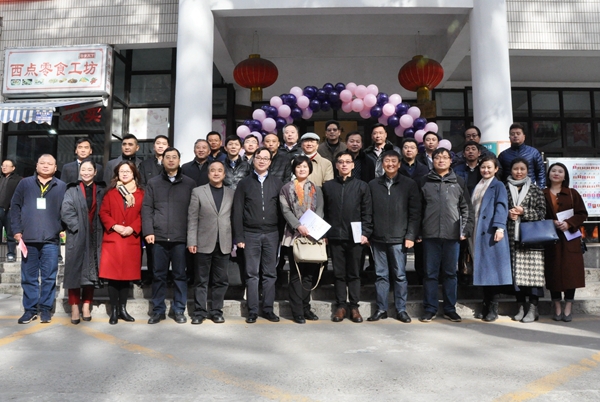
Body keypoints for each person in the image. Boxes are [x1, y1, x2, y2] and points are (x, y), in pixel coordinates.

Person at [418, 147, 473, 323]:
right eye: (437, 157)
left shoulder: (459, 181)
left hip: (452, 235)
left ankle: (450, 308)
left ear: (451, 161)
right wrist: (418, 231)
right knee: (430, 274)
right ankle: (430, 308)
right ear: (432, 161)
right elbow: (418, 210)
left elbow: (466, 208)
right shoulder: (424, 181)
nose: (441, 160)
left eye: (444, 157)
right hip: (430, 235)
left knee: (450, 273)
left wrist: (465, 230)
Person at [142, 147, 195, 324]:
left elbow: (194, 212)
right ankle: (158, 310)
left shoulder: (189, 183)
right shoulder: (153, 183)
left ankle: (179, 309)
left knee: (180, 275)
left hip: (181, 238)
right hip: (159, 237)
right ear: (163, 160)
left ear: (179, 161)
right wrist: (149, 231)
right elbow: (147, 208)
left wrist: (191, 236)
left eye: (174, 157)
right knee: (159, 275)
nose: (171, 160)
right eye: (168, 157)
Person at [11, 154, 66, 324]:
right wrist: (16, 230)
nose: (45, 166)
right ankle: (30, 310)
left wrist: (63, 228)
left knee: (49, 276)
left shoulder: (61, 186)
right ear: (36, 166)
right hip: (28, 239)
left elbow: (66, 210)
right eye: (42, 163)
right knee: (29, 277)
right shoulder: (25, 183)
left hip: (51, 240)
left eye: (49, 164)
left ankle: (45, 309)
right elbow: (15, 206)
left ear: (55, 168)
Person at [367, 150, 421, 323]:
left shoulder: (409, 184)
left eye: (393, 161)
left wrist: (410, 235)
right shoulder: (373, 184)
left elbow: (415, 212)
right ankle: (381, 309)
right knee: (380, 275)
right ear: (382, 164)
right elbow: (367, 212)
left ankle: (401, 309)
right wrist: (367, 233)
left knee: (400, 275)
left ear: (399, 164)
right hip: (378, 238)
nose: (390, 164)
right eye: (387, 161)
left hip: (399, 238)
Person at [232, 147, 284, 324]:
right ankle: (253, 310)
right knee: (252, 273)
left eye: (265, 158)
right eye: (259, 157)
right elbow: (237, 211)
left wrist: (281, 235)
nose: (262, 161)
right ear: (253, 160)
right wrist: (239, 237)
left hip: (272, 233)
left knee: (270, 273)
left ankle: (268, 309)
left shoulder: (277, 183)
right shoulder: (244, 183)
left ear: (270, 162)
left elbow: (282, 211)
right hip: (250, 234)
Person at [322, 151, 373, 323]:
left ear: (353, 165)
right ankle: (341, 306)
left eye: (347, 162)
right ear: (336, 165)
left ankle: (354, 306)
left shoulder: (362, 186)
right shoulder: (328, 186)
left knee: (354, 273)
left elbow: (367, 212)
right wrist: (325, 234)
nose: (344, 164)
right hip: (335, 236)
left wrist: (366, 232)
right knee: (338, 273)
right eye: (341, 162)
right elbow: (324, 212)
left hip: (355, 237)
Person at [188, 160, 234, 324]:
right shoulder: (198, 192)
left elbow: (234, 218)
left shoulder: (231, 193)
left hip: (224, 242)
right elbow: (192, 218)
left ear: (224, 174)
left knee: (220, 280)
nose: (216, 173)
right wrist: (191, 241)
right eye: (213, 170)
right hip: (202, 242)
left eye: (219, 170)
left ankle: (216, 311)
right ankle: (199, 312)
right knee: (201, 280)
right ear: (208, 174)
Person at [279, 155, 324, 324]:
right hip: (294, 236)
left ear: (309, 169)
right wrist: (298, 226)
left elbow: (320, 209)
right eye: (298, 167)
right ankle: (297, 311)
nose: (302, 169)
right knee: (296, 274)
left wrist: (312, 227)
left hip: (312, 236)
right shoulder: (286, 188)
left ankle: (306, 308)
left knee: (309, 275)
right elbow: (285, 210)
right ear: (294, 169)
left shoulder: (317, 189)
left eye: (305, 166)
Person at [99, 160, 144, 325]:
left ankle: (123, 309)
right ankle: (114, 311)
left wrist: (133, 228)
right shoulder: (110, 193)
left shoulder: (141, 193)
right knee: (113, 278)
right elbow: (103, 212)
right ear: (117, 174)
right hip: (113, 238)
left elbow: (144, 214)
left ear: (134, 174)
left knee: (126, 277)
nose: (125, 174)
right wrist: (114, 225)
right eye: (122, 171)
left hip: (131, 238)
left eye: (128, 171)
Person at [61, 160, 105, 324]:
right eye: (83, 169)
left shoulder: (101, 190)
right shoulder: (71, 190)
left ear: (95, 172)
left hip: (95, 237)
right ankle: (74, 307)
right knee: (74, 272)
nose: (86, 172)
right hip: (77, 235)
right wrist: (78, 227)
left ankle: (86, 305)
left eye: (89, 169)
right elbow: (66, 211)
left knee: (91, 273)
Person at [543, 162, 588, 322]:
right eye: (553, 170)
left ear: (565, 176)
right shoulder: (542, 193)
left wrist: (569, 223)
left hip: (570, 239)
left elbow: (582, 214)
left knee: (571, 273)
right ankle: (557, 306)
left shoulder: (572, 193)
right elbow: (538, 215)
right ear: (548, 174)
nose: (556, 173)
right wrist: (551, 222)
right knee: (553, 273)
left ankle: (568, 306)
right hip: (551, 238)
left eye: (560, 171)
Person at [469, 155, 512, 322]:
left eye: (489, 167)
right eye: (483, 167)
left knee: (492, 270)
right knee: (483, 269)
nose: (485, 170)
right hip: (478, 230)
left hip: (491, 231)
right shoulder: (479, 185)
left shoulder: (498, 185)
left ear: (496, 169)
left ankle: (493, 306)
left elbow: (502, 206)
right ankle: (485, 303)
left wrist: (500, 227)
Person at [505, 157, 546, 323]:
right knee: (517, 277)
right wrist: (508, 214)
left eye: (522, 169)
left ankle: (533, 309)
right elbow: (499, 209)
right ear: (511, 170)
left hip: (531, 239)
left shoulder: (536, 190)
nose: (519, 172)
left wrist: (524, 212)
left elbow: (542, 213)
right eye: (516, 169)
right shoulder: (505, 188)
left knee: (533, 277)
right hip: (511, 238)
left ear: (528, 171)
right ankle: (520, 307)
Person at [498, 123, 545, 187]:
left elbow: (541, 173)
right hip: (509, 189)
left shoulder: (534, 153)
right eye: (512, 134)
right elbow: (499, 175)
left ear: (524, 136)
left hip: (530, 189)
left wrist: (540, 189)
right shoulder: (503, 155)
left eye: (518, 133)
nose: (515, 136)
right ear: (509, 137)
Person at [0, 159, 22, 262]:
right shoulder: (1, 178)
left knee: (10, 233)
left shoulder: (18, 180)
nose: (4, 167)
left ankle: (11, 254)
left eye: (7, 166)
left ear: (13, 168)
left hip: (10, 210)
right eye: (3, 165)